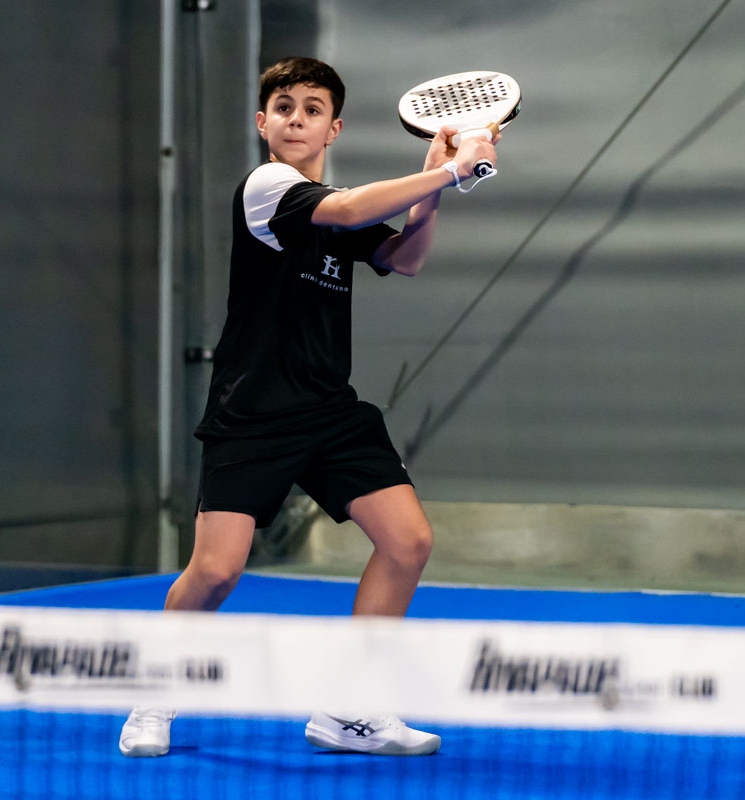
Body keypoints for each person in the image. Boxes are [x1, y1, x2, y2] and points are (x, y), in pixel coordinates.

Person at [119, 56, 498, 758]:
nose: (297, 118)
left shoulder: (340, 205)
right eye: (284, 107)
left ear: (334, 128)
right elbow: (351, 210)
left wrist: (434, 178)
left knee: (407, 542)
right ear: (262, 123)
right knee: (216, 570)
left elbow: (404, 258)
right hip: (253, 410)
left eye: (313, 109)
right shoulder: (268, 187)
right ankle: (154, 694)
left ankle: (349, 710)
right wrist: (452, 170)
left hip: (328, 409)